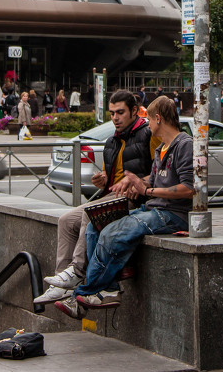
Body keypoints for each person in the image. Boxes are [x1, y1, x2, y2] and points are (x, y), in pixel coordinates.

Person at [55, 95, 193, 319]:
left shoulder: (184, 144)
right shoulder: (162, 149)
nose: (148, 124)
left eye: (149, 118)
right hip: (155, 208)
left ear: (158, 118)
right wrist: (138, 182)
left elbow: (189, 188)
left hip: (172, 214)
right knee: (96, 225)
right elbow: (154, 179)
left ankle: (84, 293)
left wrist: (145, 190)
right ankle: (108, 288)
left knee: (113, 232)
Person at [35, 90, 154, 305]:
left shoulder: (148, 135)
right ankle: (61, 284)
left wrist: (138, 181)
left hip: (135, 200)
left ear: (134, 111)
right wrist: (103, 179)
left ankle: (78, 271)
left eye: (121, 112)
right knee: (66, 220)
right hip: (111, 196)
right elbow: (110, 174)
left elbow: (159, 173)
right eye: (112, 114)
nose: (115, 118)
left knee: (90, 214)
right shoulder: (112, 142)